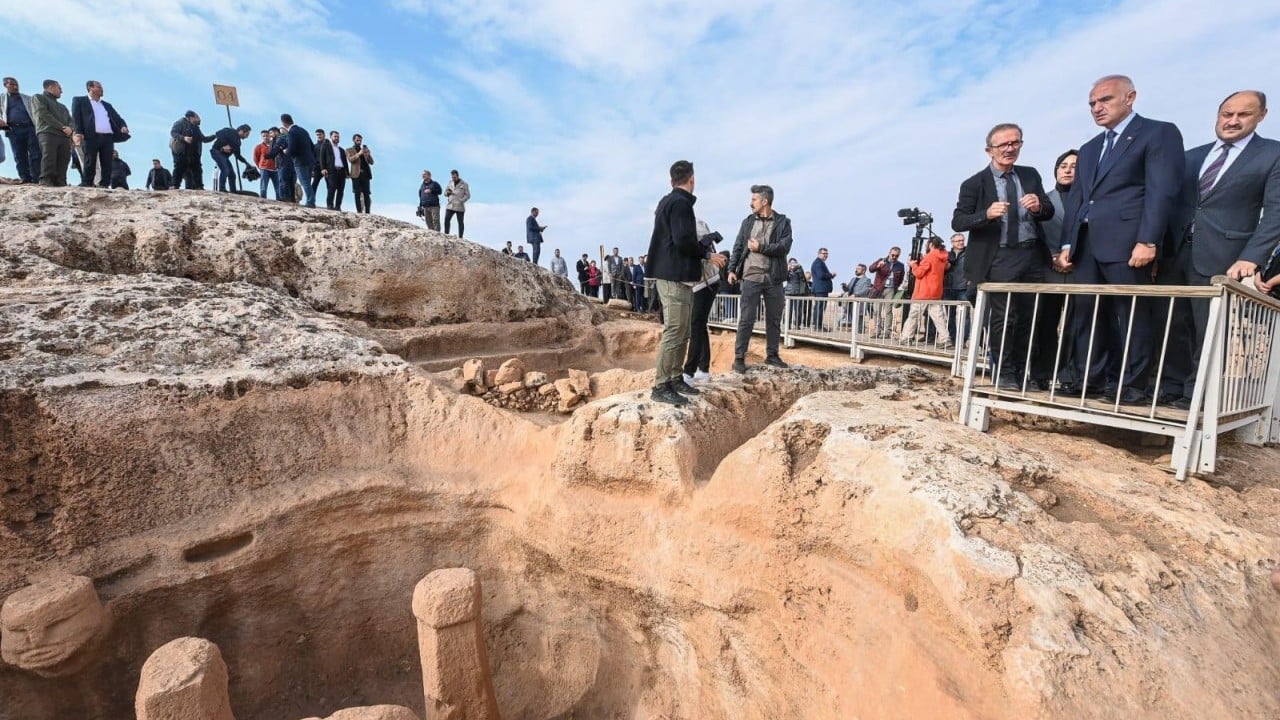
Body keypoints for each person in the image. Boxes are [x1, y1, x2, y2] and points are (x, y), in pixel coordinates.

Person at [1054, 74, 1185, 404]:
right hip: (1086, 248)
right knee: (1088, 314)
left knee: (1132, 315)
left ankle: (1132, 386)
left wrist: (1149, 239)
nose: (1097, 108)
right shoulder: (1089, 148)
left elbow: (1161, 191)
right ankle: (1092, 379)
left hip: (1128, 244)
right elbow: (1079, 201)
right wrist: (1068, 243)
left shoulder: (1158, 133)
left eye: (1105, 100)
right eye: (1092, 104)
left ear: (1130, 97)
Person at [1160, 90, 1280, 409]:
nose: (1233, 121)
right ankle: (1169, 387)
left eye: (1243, 114)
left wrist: (1252, 257)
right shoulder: (1193, 155)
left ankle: (1195, 395)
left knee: (1208, 329)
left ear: (1262, 116)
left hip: (1223, 257)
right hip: (1175, 252)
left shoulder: (1272, 154)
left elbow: (1276, 212)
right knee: (1172, 322)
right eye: (1227, 114)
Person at [951, 122, 1055, 389]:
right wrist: (985, 215)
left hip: (1032, 255)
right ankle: (1005, 373)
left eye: (1015, 143)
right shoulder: (974, 184)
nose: (1010, 149)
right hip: (998, 258)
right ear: (990, 150)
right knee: (1004, 318)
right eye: (1003, 145)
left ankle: (1025, 374)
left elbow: (1048, 211)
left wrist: (1038, 206)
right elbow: (959, 221)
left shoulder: (1030, 175)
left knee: (1031, 317)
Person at [645, 159, 725, 405]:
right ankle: (661, 385)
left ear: (672, 181)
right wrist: (707, 253)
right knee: (675, 331)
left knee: (683, 330)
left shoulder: (668, 202)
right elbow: (682, 239)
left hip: (676, 275)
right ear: (692, 179)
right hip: (673, 276)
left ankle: (675, 377)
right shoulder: (680, 203)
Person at [726, 184, 793, 372]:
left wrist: (761, 247)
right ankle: (739, 358)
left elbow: (784, 247)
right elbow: (738, 246)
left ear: (765, 201)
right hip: (750, 277)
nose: (751, 203)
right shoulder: (747, 222)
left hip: (774, 278)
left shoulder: (783, 222)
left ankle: (772, 356)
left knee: (774, 319)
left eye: (754, 199)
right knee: (746, 319)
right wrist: (732, 269)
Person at [682, 221, 723, 383]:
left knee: (696, 326)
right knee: (699, 326)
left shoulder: (692, 224)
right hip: (702, 282)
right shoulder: (695, 223)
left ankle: (689, 373)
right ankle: (703, 369)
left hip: (705, 282)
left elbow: (694, 248)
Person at [70, 81, 128, 189]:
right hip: (90, 135)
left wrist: (123, 126)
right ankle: (87, 183)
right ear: (90, 88)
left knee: (107, 162)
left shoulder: (107, 105)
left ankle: (105, 184)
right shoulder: (79, 101)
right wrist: (78, 132)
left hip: (108, 137)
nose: (102, 89)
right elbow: (76, 117)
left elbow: (118, 118)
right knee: (89, 160)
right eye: (99, 87)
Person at [898, 237, 952, 347]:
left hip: (923, 292)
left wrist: (913, 264)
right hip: (936, 291)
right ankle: (945, 339)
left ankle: (906, 337)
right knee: (938, 317)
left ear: (931, 244)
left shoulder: (930, 256)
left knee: (913, 316)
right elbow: (946, 267)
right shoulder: (943, 256)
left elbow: (919, 273)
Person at [30, 80, 72, 187]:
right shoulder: (39, 98)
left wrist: (70, 129)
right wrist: (62, 127)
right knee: (49, 157)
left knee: (64, 159)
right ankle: (46, 180)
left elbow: (70, 120)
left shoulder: (62, 107)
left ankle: (61, 182)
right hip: (47, 132)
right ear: (51, 87)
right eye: (59, 88)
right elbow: (43, 114)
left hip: (64, 136)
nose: (61, 92)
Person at [0, 77, 40, 184]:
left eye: (16, 84)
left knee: (35, 153)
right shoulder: (2, 99)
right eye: (12, 85)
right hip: (13, 130)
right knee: (19, 154)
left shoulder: (27, 98)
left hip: (30, 128)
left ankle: (36, 177)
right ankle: (25, 178)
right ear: (5, 86)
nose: (15, 86)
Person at [279, 114, 317, 207]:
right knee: (307, 182)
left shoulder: (291, 132)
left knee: (305, 182)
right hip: (310, 160)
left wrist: (285, 153)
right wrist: (313, 159)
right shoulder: (303, 131)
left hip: (300, 161)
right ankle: (311, 200)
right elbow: (313, 146)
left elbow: (291, 148)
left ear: (283, 123)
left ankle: (310, 202)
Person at [867, 247, 905, 338]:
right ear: (889, 253)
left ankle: (887, 332)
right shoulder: (881, 260)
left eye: (897, 255)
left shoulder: (900, 265)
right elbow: (871, 269)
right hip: (878, 289)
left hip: (890, 289)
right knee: (876, 311)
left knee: (888, 311)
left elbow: (901, 279)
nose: (894, 257)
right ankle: (877, 331)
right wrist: (878, 266)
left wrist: (895, 287)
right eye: (893, 255)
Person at [169, 111, 213, 190]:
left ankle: (199, 186)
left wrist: (215, 136)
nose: (199, 119)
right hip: (181, 150)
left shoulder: (196, 128)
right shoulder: (180, 122)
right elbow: (173, 132)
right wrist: (184, 138)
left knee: (197, 169)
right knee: (179, 167)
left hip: (194, 153)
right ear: (191, 117)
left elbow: (204, 139)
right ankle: (174, 185)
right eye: (197, 117)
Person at [210, 124, 251, 193]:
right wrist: (223, 146)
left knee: (232, 175)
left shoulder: (238, 142)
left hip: (224, 156)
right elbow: (218, 133)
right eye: (246, 134)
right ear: (241, 131)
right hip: (216, 152)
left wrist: (246, 163)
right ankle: (222, 189)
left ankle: (233, 191)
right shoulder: (230, 131)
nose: (247, 137)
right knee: (225, 170)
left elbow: (238, 155)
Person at [319, 130, 348, 210]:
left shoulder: (341, 150)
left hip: (342, 171)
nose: (336, 138)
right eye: (335, 136)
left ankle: (338, 206)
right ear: (331, 137)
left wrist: (347, 172)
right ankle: (330, 205)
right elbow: (322, 158)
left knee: (341, 190)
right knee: (332, 188)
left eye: (338, 137)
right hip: (332, 170)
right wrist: (323, 168)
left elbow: (344, 161)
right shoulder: (326, 146)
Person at [810, 248, 836, 331]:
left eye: (827, 253)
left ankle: (817, 325)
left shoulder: (820, 262)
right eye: (824, 253)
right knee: (820, 308)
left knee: (819, 307)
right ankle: (818, 326)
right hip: (820, 289)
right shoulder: (818, 263)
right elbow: (821, 275)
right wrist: (831, 275)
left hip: (820, 289)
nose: (825, 255)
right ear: (819, 254)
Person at [347, 134, 374, 213]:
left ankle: (368, 212)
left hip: (365, 175)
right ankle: (359, 211)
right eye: (357, 140)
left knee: (367, 194)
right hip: (356, 175)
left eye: (360, 140)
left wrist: (368, 155)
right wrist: (359, 154)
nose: (359, 141)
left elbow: (371, 162)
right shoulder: (349, 150)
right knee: (357, 194)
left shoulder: (365, 150)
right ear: (354, 140)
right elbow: (350, 159)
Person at [253, 129, 278, 199]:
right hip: (264, 169)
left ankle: (279, 201)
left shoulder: (275, 145)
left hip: (275, 169)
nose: (265, 137)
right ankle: (263, 200)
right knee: (263, 187)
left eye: (266, 136)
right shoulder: (258, 147)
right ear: (262, 137)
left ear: (270, 136)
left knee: (278, 187)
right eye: (263, 136)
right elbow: (255, 158)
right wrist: (260, 166)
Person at [444, 169, 469, 236]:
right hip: (450, 205)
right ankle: (446, 235)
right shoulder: (450, 182)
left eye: (454, 177)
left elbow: (468, 195)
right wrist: (448, 193)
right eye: (452, 177)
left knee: (460, 222)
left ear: (458, 176)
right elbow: (445, 193)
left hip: (459, 206)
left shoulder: (464, 184)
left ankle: (460, 237)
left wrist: (462, 201)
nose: (453, 178)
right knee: (446, 220)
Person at [310, 128, 328, 202]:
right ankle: (311, 201)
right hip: (317, 168)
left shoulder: (329, 145)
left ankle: (329, 204)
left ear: (324, 135)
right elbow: (312, 158)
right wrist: (313, 169)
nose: (318, 136)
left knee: (330, 186)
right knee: (314, 184)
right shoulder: (314, 146)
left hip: (328, 168)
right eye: (317, 135)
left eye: (320, 134)